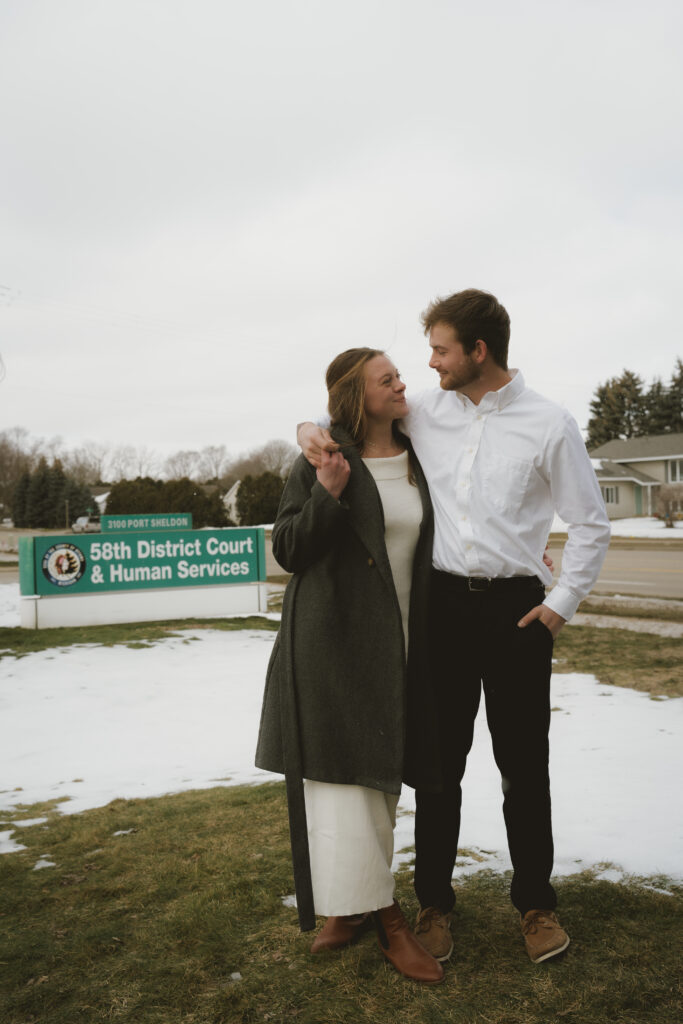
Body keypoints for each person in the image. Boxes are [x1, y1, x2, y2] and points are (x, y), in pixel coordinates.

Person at [297, 289, 611, 966]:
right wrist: (306, 429)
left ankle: (535, 906)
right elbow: (348, 417)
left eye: (440, 349)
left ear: (477, 351)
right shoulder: (424, 413)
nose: (428, 364)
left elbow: (589, 523)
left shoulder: (548, 423)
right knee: (437, 770)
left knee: (523, 767)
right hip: (440, 610)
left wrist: (559, 603)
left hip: (517, 612)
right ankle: (433, 904)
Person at [255, 347, 444, 983]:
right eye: (386, 379)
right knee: (343, 783)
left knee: (378, 779)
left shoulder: (420, 451)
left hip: (407, 639)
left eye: (399, 376)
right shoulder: (323, 460)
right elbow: (287, 549)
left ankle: (350, 905)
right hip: (332, 639)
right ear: (357, 396)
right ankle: (387, 918)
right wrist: (329, 494)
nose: (401, 384)